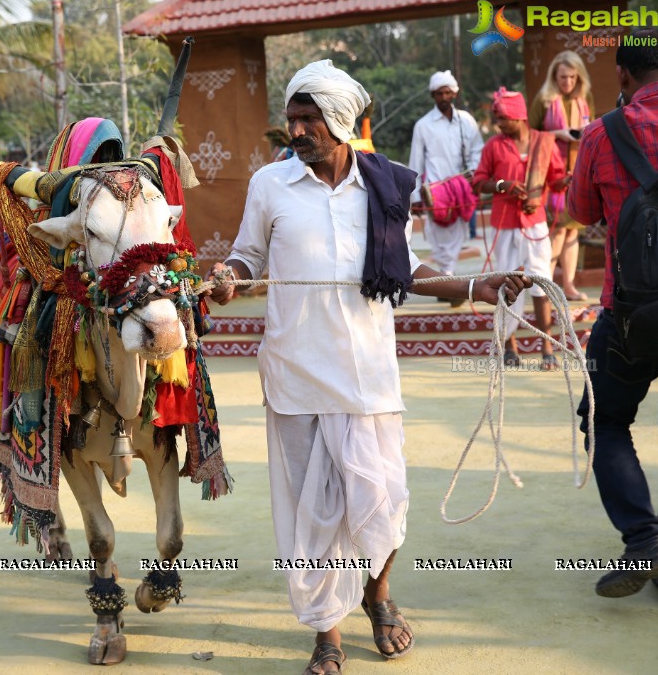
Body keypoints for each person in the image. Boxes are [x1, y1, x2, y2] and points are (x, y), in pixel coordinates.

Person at [208, 60, 529, 672]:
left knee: (381, 500)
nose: (296, 130)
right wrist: (229, 279)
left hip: (369, 373)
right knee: (312, 512)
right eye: (292, 118)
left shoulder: (383, 186)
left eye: (308, 119)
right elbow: (247, 257)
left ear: (341, 121)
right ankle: (326, 634)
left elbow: (406, 267)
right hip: (295, 374)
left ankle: (379, 598)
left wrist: (474, 285)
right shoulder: (269, 186)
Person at [567, 28, 658, 609]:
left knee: (604, 423)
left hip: (630, 316)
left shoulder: (603, 132)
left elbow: (579, 213)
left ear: (621, 76)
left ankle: (647, 537)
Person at [472, 87, 568, 370]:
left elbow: (557, 178)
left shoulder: (544, 142)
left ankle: (546, 346)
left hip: (535, 224)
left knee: (541, 283)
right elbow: (478, 183)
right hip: (505, 225)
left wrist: (570, 179)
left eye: (502, 118)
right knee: (506, 284)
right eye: (496, 118)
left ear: (519, 117)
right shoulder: (494, 146)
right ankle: (509, 346)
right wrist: (503, 185)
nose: (498, 124)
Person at [408, 70, 484, 307]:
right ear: (433, 95)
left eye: (447, 92)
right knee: (440, 236)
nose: (443, 97)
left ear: (454, 93)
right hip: (435, 192)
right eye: (439, 93)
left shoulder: (467, 121)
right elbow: (416, 161)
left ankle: (447, 283)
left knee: (458, 233)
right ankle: (449, 283)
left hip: (461, 188)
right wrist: (416, 194)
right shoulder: (423, 125)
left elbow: (477, 150)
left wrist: (473, 173)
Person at [530, 50, 594, 301]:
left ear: (579, 78)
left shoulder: (584, 97)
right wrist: (558, 133)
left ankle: (568, 285)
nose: (567, 82)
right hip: (552, 174)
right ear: (553, 76)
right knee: (557, 229)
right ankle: (546, 285)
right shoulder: (544, 100)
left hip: (577, 171)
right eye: (562, 77)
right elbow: (529, 134)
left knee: (572, 231)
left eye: (571, 77)